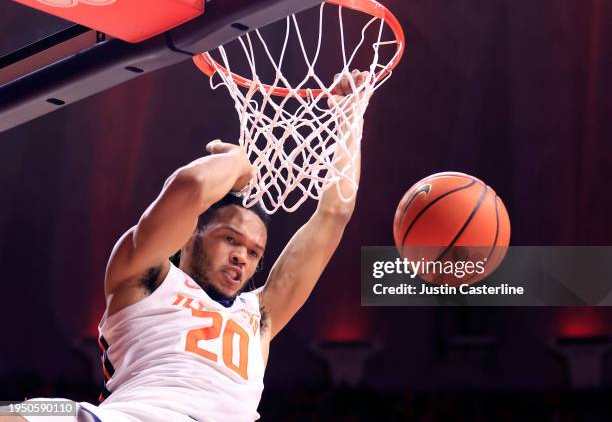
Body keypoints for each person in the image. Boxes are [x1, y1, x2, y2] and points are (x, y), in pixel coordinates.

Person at [2, 71, 368, 422]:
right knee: (39, 410)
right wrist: (236, 163)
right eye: (230, 239)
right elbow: (191, 185)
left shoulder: (258, 316)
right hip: (129, 416)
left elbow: (334, 215)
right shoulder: (146, 277)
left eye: (255, 252)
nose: (242, 255)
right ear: (192, 234)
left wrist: (350, 115)